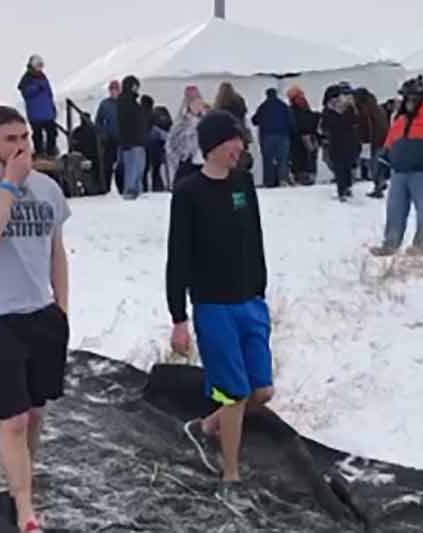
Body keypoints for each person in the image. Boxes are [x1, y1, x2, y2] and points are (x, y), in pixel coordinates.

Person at [0, 106, 70, 533]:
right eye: (10, 139)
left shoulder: (48, 189)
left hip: (41, 314)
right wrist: (9, 185)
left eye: (24, 137)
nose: (21, 146)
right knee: (14, 418)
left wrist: (62, 307)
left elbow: (56, 250)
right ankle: (23, 509)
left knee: (36, 415)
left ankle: (25, 481)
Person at [166, 110, 272, 506]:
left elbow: (256, 237)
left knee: (261, 390)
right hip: (213, 306)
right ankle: (230, 473)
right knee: (232, 393)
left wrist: (260, 291)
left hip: (250, 302)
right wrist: (179, 318)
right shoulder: (189, 193)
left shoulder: (244, 184)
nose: (241, 148)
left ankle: (208, 427)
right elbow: (177, 258)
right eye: (234, 141)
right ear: (213, 145)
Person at [370, 79, 423, 257]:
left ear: (421, 99)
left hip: (421, 173)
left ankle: (420, 245)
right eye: (406, 98)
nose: (408, 102)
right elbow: (389, 145)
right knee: (394, 210)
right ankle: (390, 244)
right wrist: (382, 164)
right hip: (399, 173)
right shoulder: (399, 122)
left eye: (412, 98)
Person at [320, 85, 360, 202]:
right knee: (346, 165)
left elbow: (324, 127)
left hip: (336, 142)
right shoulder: (349, 107)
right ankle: (346, 187)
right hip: (349, 141)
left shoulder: (328, 110)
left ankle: (342, 190)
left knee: (339, 167)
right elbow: (355, 122)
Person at [252, 88, 295, 188]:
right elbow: (291, 121)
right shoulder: (284, 106)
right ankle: (282, 180)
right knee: (283, 159)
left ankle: (269, 181)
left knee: (268, 160)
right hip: (283, 136)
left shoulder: (263, 107)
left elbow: (255, 120)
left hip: (267, 137)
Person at [18, 55, 58, 158]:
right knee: (38, 134)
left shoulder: (43, 77)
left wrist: (52, 107)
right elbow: (25, 92)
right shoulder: (27, 79)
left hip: (47, 112)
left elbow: (49, 94)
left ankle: (50, 152)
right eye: (38, 65)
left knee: (52, 132)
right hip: (35, 113)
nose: (40, 68)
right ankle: (39, 152)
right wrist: (36, 88)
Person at [354, 88, 390, 198]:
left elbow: (367, 128)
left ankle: (378, 186)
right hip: (383, 139)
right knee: (378, 164)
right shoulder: (376, 108)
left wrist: (365, 141)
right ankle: (381, 182)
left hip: (373, 141)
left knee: (373, 165)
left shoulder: (365, 110)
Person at [117, 75, 148, 199]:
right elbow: (126, 123)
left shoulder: (133, 102)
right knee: (132, 170)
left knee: (138, 170)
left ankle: (136, 191)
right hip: (131, 142)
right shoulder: (126, 102)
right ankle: (130, 193)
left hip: (138, 141)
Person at [166, 89, 205, 186]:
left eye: (199, 103)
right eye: (195, 103)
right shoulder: (181, 122)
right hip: (187, 162)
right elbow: (172, 142)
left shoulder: (205, 120)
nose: (198, 106)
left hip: (203, 162)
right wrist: (183, 154)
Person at [286, 86, 319, 186]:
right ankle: (307, 176)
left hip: (299, 136)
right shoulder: (303, 106)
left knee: (301, 157)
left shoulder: (291, 110)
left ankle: (302, 176)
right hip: (308, 135)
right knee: (309, 156)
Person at [94, 80, 121, 193]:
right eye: (112, 89)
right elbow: (98, 121)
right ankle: (106, 187)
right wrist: (103, 133)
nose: (114, 92)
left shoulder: (124, 103)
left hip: (122, 139)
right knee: (107, 165)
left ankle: (121, 187)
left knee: (121, 166)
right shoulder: (105, 104)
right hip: (110, 139)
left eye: (116, 89)